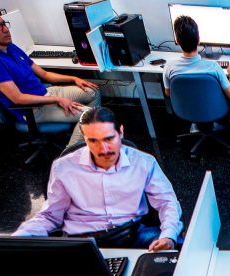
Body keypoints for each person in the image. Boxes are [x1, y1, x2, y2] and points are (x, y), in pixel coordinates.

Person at [13, 107, 183, 251]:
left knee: (180, 251)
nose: (103, 149)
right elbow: (50, 216)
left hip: (132, 233)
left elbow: (167, 202)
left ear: (121, 132)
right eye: (93, 141)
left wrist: (168, 235)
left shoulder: (144, 162)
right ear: (83, 136)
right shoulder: (63, 167)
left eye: (109, 139)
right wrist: (19, 238)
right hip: (83, 240)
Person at [0, 7, 101, 147]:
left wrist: (74, 79)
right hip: (34, 109)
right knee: (93, 118)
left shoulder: (9, 46)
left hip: (46, 93)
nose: (4, 29)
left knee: (93, 91)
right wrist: (58, 100)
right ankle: (69, 156)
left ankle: (82, 133)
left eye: (3, 24)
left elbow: (45, 74)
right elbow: (17, 98)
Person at [163, 15, 230, 132]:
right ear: (199, 40)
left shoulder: (169, 67)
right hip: (215, 110)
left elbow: (168, 93)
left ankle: (196, 122)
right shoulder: (213, 67)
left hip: (185, 111)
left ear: (177, 41)